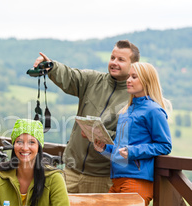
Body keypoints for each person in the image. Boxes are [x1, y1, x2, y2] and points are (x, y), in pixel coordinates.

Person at [33, 40, 140, 193]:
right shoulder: (92, 80)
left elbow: (132, 138)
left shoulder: (135, 98)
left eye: (121, 60)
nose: (114, 63)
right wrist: (51, 66)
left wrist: (99, 134)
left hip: (103, 177)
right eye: (112, 58)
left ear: (133, 65)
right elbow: (70, 76)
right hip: (70, 172)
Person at [94, 62, 172, 206]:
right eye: (129, 76)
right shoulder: (126, 110)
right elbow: (121, 148)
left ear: (147, 81)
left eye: (134, 77)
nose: (128, 80)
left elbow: (165, 145)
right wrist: (104, 148)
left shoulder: (154, 110)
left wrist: (133, 151)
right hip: (118, 179)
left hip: (136, 181)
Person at [0, 119, 70, 206]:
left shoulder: (54, 178)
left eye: (31, 142)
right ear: (13, 145)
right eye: (19, 142)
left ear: (39, 147)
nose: (25, 148)